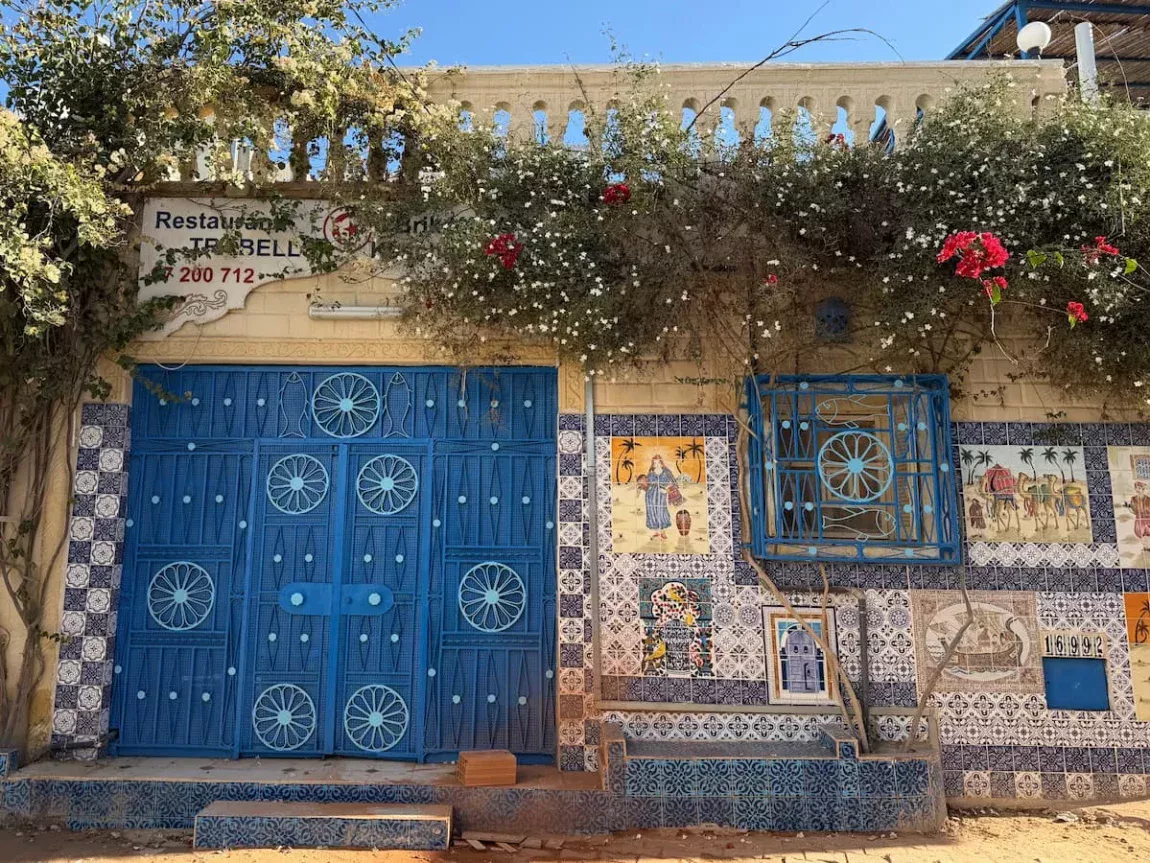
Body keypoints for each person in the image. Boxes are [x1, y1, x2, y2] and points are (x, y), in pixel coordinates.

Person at [644, 455, 674, 540]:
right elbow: (647, 483)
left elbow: (672, 483)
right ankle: (657, 532)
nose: (656, 465)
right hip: (650, 496)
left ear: (661, 463)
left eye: (658, 462)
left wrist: (666, 490)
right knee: (652, 512)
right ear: (652, 464)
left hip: (661, 495)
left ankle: (663, 532)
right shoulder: (651, 472)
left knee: (662, 512)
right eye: (654, 463)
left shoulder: (666, 472)